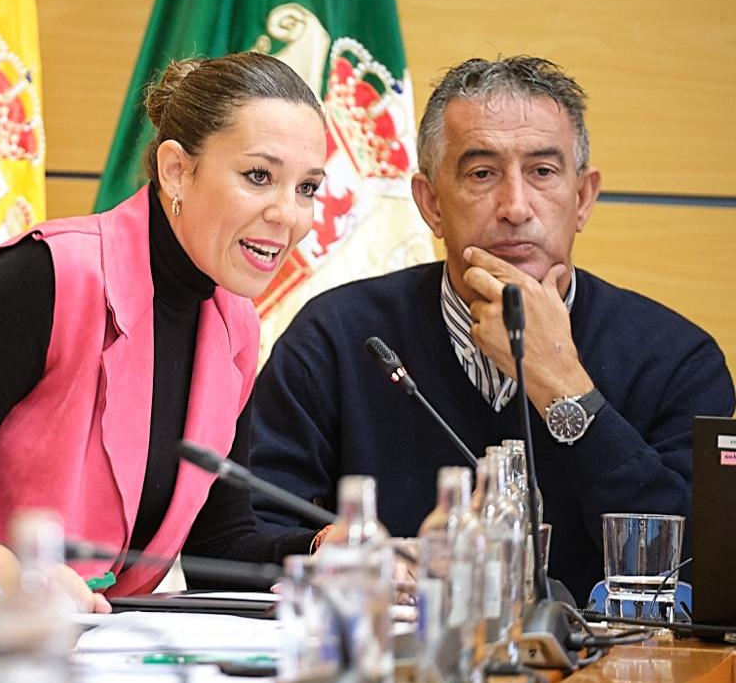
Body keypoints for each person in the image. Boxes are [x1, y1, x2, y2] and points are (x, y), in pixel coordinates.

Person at [249, 56, 736, 600]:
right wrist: (325, 548)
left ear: (583, 198)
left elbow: (703, 569)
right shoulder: (339, 337)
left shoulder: (677, 358)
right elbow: (243, 534)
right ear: (430, 204)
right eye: (482, 174)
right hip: (397, 668)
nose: (515, 206)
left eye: (543, 172)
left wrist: (565, 388)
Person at [0, 52, 329, 595]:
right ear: (177, 170)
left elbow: (218, 548)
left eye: (307, 188)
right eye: (259, 176)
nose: (288, 215)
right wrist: (9, 578)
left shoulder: (236, 326)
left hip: (111, 654)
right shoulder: (46, 275)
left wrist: (322, 551)